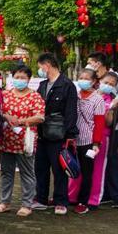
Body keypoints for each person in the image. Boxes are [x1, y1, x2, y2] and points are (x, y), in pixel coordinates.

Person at [0, 64, 46, 217]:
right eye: (17, 77)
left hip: (25, 141)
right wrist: (6, 117)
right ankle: (5, 202)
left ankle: (27, 204)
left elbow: (40, 116)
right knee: (6, 172)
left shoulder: (35, 96)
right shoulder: (5, 95)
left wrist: (21, 121)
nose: (20, 80)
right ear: (12, 78)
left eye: (23, 78)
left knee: (27, 173)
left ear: (29, 79)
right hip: (7, 140)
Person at [34, 53, 78, 213]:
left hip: (59, 133)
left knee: (59, 169)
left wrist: (70, 135)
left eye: (40, 67)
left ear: (47, 65)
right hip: (42, 132)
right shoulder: (43, 85)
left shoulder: (67, 85)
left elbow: (71, 112)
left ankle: (61, 200)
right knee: (40, 167)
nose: (40, 70)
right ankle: (41, 198)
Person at [69, 68, 106, 216]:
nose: (83, 80)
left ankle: (83, 201)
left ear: (94, 82)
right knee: (70, 170)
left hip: (89, 141)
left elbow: (99, 123)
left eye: (86, 78)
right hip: (72, 140)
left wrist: (96, 143)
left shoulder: (98, 99)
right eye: (81, 77)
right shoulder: (75, 96)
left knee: (87, 172)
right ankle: (69, 196)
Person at [99, 72, 118, 208]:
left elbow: (117, 124)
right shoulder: (90, 95)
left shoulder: (115, 101)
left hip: (109, 138)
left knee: (112, 167)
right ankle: (101, 195)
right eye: (106, 82)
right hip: (89, 137)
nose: (108, 86)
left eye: (112, 84)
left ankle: (116, 197)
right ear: (100, 80)